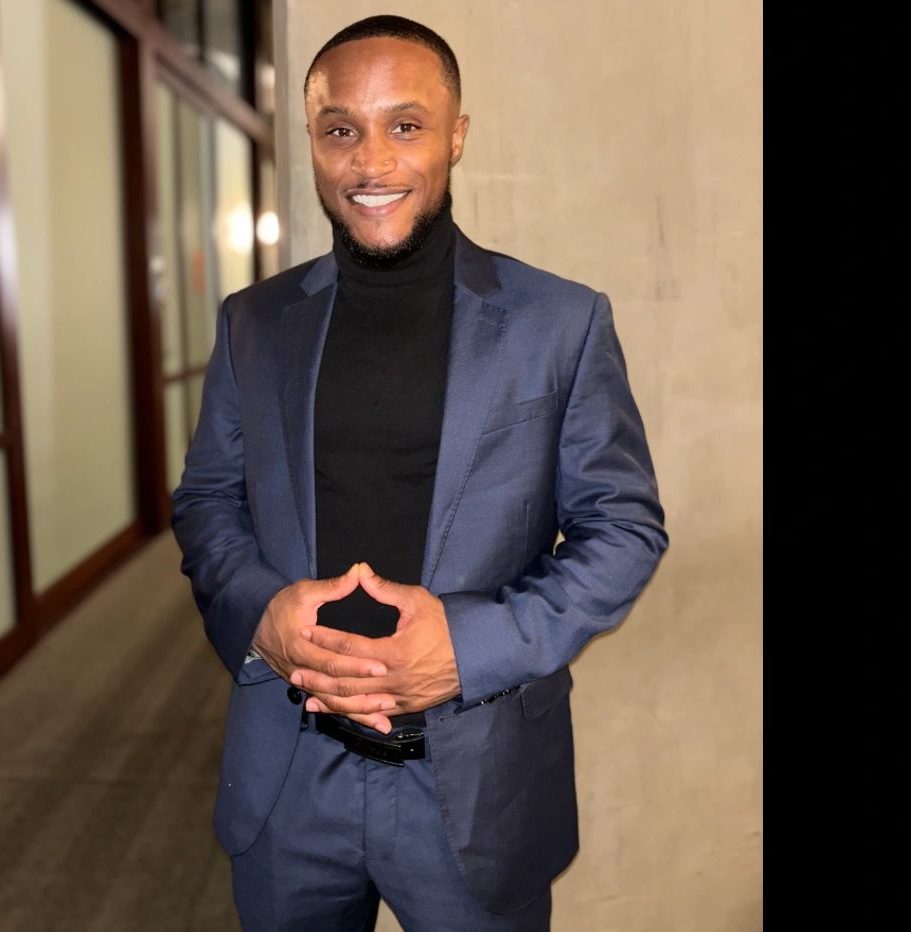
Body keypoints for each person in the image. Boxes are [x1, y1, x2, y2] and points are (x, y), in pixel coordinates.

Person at [172, 14, 668, 931]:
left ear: (457, 136)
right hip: (288, 775)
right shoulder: (254, 321)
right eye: (340, 129)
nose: (372, 163)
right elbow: (207, 501)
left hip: (473, 783)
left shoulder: (560, 323)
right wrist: (260, 614)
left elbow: (625, 530)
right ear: (312, 143)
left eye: (405, 125)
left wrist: (466, 650)